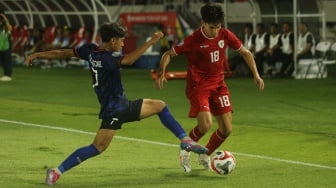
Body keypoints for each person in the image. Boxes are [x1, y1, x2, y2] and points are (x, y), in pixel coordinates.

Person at [25, 22, 208, 185]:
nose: (122, 44)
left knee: (159, 105)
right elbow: (128, 60)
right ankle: (57, 172)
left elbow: (64, 52)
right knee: (97, 147)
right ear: (112, 41)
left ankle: (185, 140)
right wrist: (152, 41)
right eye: (121, 40)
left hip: (123, 106)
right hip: (114, 110)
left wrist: (38, 54)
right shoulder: (107, 59)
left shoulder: (90, 51)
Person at [156, 3, 264, 173]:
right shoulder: (193, 39)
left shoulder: (225, 34)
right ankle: (185, 149)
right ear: (203, 23)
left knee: (227, 129)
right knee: (206, 124)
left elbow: (246, 53)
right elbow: (168, 54)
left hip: (219, 85)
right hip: (198, 86)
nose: (215, 31)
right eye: (212, 27)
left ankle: (205, 154)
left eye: (218, 27)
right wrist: (162, 72)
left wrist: (256, 75)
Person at [0, 12, 13, 81]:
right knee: (2, 62)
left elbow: (10, 29)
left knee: (7, 62)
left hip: (6, 47)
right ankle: (6, 75)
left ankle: (8, 75)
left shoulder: (5, 27)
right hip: (0, 47)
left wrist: (5, 19)